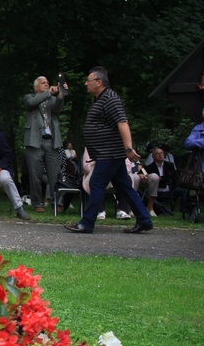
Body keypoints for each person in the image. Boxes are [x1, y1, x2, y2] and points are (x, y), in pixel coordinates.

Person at [65, 67, 152, 234]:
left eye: (89, 80)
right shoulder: (101, 99)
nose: (86, 83)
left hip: (110, 153)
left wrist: (128, 148)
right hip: (109, 152)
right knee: (125, 186)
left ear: (99, 82)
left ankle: (87, 223)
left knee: (96, 183)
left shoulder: (110, 99)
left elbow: (122, 123)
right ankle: (144, 220)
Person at [23, 76, 65, 213]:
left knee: (55, 174)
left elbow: (58, 109)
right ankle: (37, 202)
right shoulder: (29, 97)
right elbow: (31, 103)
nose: (46, 84)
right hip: (34, 140)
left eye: (47, 83)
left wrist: (60, 94)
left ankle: (56, 202)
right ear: (36, 87)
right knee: (35, 174)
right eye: (43, 83)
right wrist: (48, 93)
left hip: (51, 140)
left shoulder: (51, 99)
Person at [144, 147, 188, 216]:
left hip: (169, 189)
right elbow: (143, 174)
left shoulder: (170, 165)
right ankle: (150, 208)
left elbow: (173, 177)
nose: (160, 155)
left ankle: (184, 210)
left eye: (161, 153)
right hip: (156, 190)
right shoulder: (149, 167)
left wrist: (161, 178)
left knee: (183, 190)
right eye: (157, 154)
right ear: (153, 156)